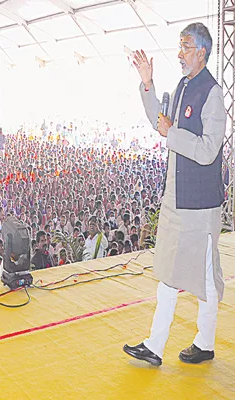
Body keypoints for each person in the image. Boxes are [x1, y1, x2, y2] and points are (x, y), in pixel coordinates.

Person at [124, 23, 226, 366]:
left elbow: (209, 149)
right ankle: (155, 345)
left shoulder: (211, 93)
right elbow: (161, 124)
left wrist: (173, 134)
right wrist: (148, 85)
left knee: (205, 278)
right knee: (168, 271)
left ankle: (205, 342)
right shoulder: (183, 86)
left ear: (202, 52)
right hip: (176, 198)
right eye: (179, 46)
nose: (179, 53)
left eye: (185, 47)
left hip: (199, 205)